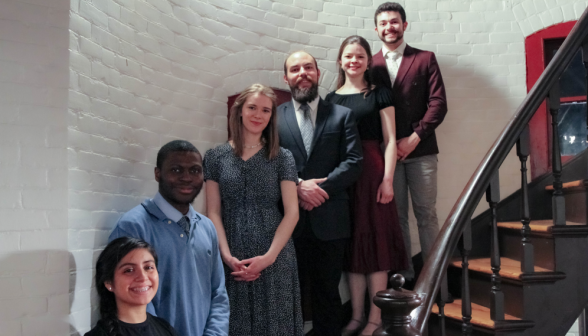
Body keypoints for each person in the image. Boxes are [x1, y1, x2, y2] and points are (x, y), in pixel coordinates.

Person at [203, 84, 303, 335]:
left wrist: (268, 258)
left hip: (275, 253)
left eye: (266, 110)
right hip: (232, 253)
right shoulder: (215, 157)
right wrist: (226, 257)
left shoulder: (282, 157)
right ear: (239, 111)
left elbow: (292, 212)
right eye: (252, 108)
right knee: (235, 323)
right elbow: (213, 211)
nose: (259, 115)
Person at [326, 35, 408, 336]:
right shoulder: (331, 99)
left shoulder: (379, 95)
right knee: (352, 249)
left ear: (367, 61)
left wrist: (388, 180)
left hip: (373, 172)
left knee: (376, 247)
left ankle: (375, 319)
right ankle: (357, 316)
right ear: (340, 60)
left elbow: (389, 142)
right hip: (344, 177)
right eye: (348, 56)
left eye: (360, 56)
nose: (353, 61)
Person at [277, 51, 363, 336]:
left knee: (328, 293)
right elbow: (268, 162)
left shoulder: (342, 115)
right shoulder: (274, 118)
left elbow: (354, 163)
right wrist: (298, 185)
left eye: (308, 67)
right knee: (290, 293)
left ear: (318, 73)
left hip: (331, 219)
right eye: (295, 69)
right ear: (286, 77)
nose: (302, 73)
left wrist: (317, 189)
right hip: (288, 221)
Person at [109, 140, 230, 336]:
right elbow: (131, 301)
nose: (186, 178)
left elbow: (218, 293)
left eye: (195, 171)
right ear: (158, 174)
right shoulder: (133, 227)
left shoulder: (207, 227)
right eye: (176, 170)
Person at [370, 2, 448, 285]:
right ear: (376, 29)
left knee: (427, 215)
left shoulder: (425, 58)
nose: (389, 26)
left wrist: (414, 139)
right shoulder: (370, 64)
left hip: (422, 150)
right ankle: (405, 276)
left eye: (394, 21)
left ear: (404, 25)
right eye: (384, 23)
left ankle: (436, 282)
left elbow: (438, 105)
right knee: (397, 218)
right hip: (386, 156)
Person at [85, 237, 178, 336]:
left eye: (148, 267)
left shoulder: (165, 329)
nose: (143, 277)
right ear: (109, 282)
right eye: (129, 270)